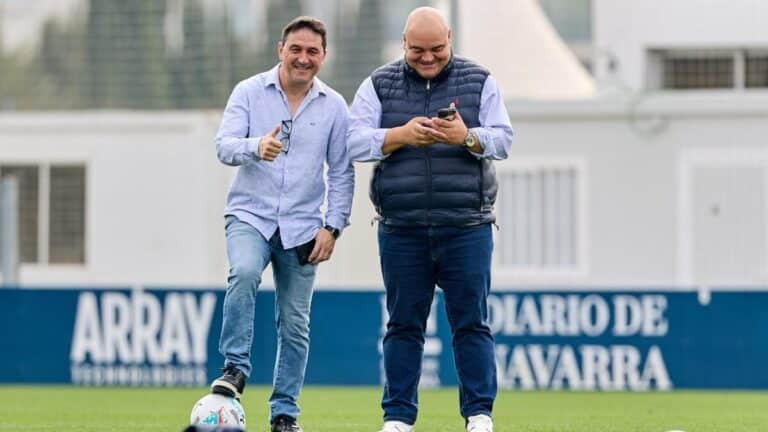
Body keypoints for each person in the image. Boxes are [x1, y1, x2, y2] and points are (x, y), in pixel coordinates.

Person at [347, 6, 513, 432]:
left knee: (471, 323)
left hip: (467, 226)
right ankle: (398, 418)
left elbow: (503, 139)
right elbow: (353, 141)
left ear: (450, 40)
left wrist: (467, 137)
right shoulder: (377, 85)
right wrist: (399, 135)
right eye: (418, 49)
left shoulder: (480, 80)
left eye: (436, 49)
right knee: (403, 325)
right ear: (403, 43)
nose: (427, 57)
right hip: (401, 228)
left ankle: (479, 415)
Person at [211, 16, 353, 432]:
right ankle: (235, 368)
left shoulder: (334, 107)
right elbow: (223, 146)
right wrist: (258, 146)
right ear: (281, 50)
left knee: (294, 323)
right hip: (249, 215)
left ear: (323, 57)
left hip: (303, 229)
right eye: (296, 49)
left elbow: (343, 173)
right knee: (244, 272)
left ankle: (285, 414)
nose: (303, 58)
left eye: (312, 52)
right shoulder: (249, 92)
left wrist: (333, 227)